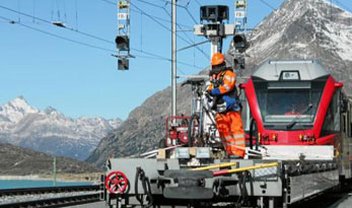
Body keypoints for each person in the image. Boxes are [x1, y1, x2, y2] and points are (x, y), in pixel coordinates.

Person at [207, 52, 246, 158]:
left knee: (236, 130)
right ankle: (230, 152)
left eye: (217, 66)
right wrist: (210, 91)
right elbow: (210, 87)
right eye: (214, 66)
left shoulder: (229, 74)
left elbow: (227, 87)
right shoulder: (214, 76)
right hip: (220, 109)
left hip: (232, 109)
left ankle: (239, 153)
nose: (215, 68)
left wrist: (214, 91)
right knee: (224, 132)